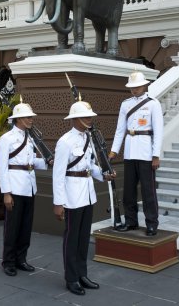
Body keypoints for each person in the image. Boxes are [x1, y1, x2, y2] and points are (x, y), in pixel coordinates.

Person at [53, 100, 116, 296]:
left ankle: (82, 274)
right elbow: (58, 173)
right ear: (76, 119)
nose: (90, 119)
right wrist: (58, 202)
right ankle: (71, 278)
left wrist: (103, 175)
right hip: (71, 196)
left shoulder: (89, 138)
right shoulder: (65, 142)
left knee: (82, 239)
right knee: (72, 239)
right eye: (87, 116)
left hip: (87, 194)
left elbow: (91, 165)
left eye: (90, 116)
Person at [109, 71, 163, 236]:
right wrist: (113, 152)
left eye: (137, 87)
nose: (134, 90)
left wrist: (156, 155)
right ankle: (131, 221)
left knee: (148, 191)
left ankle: (152, 223)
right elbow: (120, 131)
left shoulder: (153, 104)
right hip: (130, 151)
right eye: (132, 87)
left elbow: (159, 131)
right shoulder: (125, 104)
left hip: (146, 152)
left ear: (144, 85)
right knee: (129, 191)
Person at [0, 102, 48, 276]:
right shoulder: (6, 139)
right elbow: (3, 167)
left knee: (26, 227)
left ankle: (21, 259)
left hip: (29, 186)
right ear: (18, 119)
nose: (31, 120)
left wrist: (48, 162)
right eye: (28, 117)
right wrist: (6, 193)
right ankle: (8, 261)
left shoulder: (31, 137)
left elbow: (32, 161)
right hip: (15, 187)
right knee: (12, 227)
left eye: (31, 117)